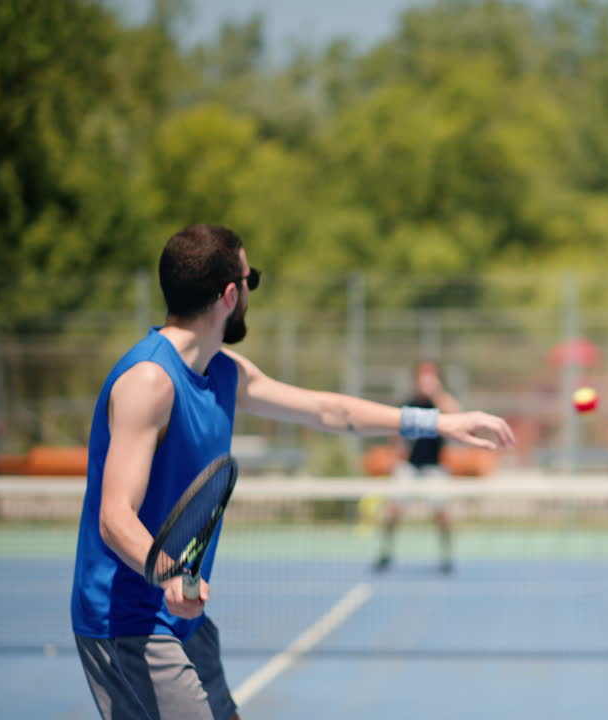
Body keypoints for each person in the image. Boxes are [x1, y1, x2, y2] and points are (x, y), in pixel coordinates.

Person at [70, 225, 514, 720]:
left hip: (180, 617)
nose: (250, 293)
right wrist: (170, 573)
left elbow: (328, 410)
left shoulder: (223, 371)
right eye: (250, 279)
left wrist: (439, 421)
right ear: (230, 295)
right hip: (130, 621)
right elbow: (114, 516)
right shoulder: (150, 381)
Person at [373, 360, 462, 575]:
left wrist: (436, 392)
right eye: (423, 374)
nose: (426, 379)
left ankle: (447, 556)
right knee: (392, 511)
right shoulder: (408, 403)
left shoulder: (441, 404)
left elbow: (457, 414)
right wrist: (396, 450)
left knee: (442, 515)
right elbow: (394, 432)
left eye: (431, 375)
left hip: (435, 468)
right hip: (409, 467)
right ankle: (386, 553)